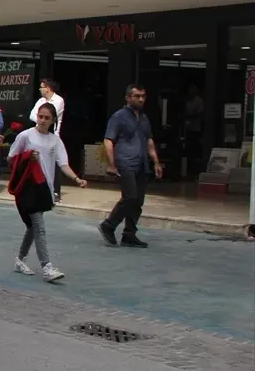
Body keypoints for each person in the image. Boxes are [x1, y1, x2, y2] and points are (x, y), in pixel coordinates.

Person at [8, 102, 88, 282]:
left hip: (44, 189)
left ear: (53, 121)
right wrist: (28, 157)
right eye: (40, 117)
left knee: (32, 227)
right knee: (39, 227)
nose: (42, 121)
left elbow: (63, 164)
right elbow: (11, 158)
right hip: (28, 188)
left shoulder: (55, 141)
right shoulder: (25, 136)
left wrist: (77, 179)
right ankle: (47, 267)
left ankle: (20, 260)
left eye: (46, 118)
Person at [100, 84, 162, 248]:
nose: (141, 99)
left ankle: (129, 234)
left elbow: (149, 141)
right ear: (128, 98)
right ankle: (108, 225)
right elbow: (108, 140)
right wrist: (112, 164)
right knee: (130, 197)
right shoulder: (119, 116)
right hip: (124, 162)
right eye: (137, 96)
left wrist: (156, 162)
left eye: (143, 96)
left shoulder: (144, 118)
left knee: (138, 201)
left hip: (141, 164)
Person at [29, 79, 65, 200]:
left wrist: (41, 117)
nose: (40, 89)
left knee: (55, 164)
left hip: (53, 135)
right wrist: (41, 119)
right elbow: (32, 115)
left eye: (41, 87)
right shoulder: (41, 101)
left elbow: (51, 114)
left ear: (48, 88)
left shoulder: (59, 100)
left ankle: (56, 191)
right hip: (39, 135)